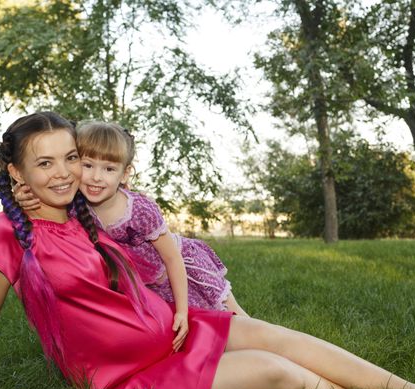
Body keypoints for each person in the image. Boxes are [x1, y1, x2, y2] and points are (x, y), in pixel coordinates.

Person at [0, 111, 415, 389]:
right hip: (126, 380)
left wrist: (38, 190)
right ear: (16, 171)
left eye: (70, 157)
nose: (65, 173)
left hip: (171, 331)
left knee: (278, 336)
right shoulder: (10, 235)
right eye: (44, 163)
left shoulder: (86, 206)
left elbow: (113, 182)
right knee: (276, 373)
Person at [14, 121, 249, 331]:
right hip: (147, 284)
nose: (96, 177)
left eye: (109, 169)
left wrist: (182, 310)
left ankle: (265, 338)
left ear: (125, 173)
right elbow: (42, 198)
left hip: (180, 268)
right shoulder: (76, 206)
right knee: (202, 329)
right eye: (87, 165)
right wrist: (20, 196)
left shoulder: (139, 211)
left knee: (231, 315)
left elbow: (172, 258)